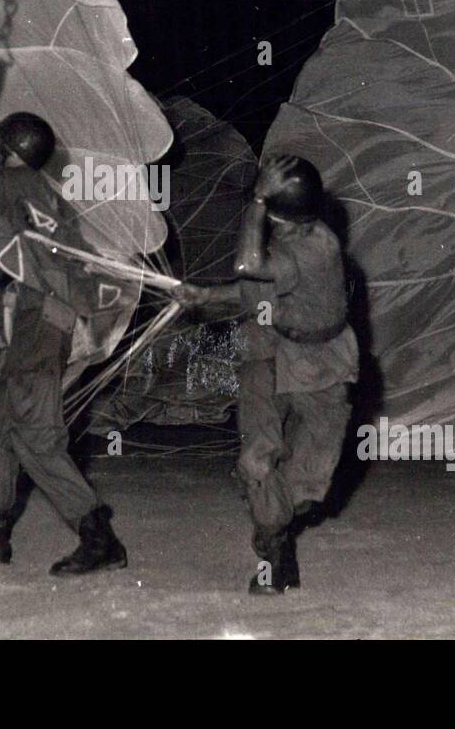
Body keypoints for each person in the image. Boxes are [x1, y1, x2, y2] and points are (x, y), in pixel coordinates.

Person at [0, 103, 127, 578]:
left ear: (8, 150)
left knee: (36, 436)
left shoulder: (3, 186)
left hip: (40, 319)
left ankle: (100, 538)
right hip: (48, 318)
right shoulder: (43, 192)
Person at [176, 155, 358, 594]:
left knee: (310, 485)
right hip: (270, 349)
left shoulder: (316, 248)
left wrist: (256, 199)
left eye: (265, 208)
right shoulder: (294, 240)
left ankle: (275, 522)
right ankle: (276, 552)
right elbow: (253, 291)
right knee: (257, 457)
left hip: (322, 364)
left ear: (275, 213)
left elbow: (248, 268)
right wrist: (206, 297)